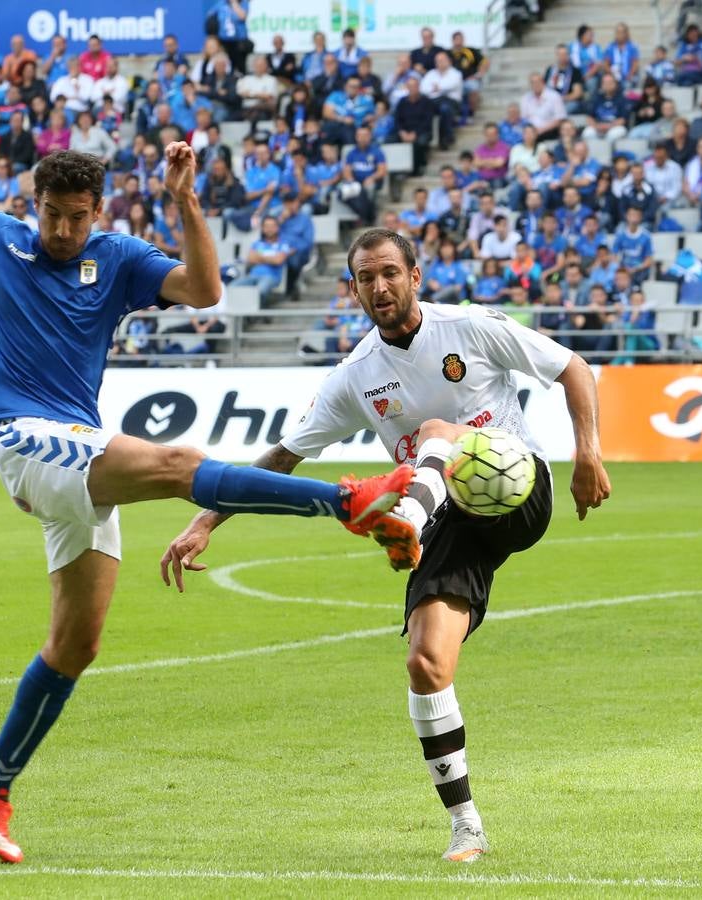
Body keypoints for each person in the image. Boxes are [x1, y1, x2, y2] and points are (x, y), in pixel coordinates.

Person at [0, 59, 416, 864]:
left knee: (76, 645)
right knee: (178, 463)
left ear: (99, 211)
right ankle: (346, 502)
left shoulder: (114, 257)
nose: (62, 231)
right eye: (52, 215)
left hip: (78, 453)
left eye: (77, 218)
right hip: (26, 440)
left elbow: (205, 290)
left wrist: (186, 202)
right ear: (35, 205)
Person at [160, 227, 611, 865]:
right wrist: (207, 520)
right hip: (450, 518)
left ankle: (405, 518)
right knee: (426, 663)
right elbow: (283, 456)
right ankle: (467, 827)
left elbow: (573, 368)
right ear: (353, 290)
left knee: (436, 431)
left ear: (415, 276)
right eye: (366, 278)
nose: (380, 287)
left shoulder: (470, 327)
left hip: (517, 488)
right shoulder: (355, 376)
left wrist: (588, 453)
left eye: (390, 273)